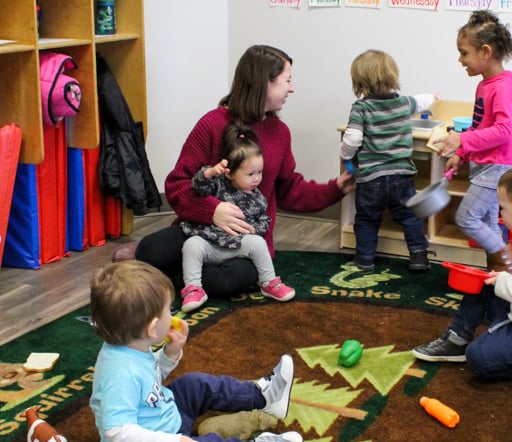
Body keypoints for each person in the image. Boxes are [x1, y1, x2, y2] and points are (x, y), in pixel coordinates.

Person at [125, 45, 353, 296]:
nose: (292, 88)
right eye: (286, 80)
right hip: (201, 231)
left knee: (225, 281)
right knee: (150, 251)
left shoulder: (280, 132)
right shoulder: (211, 124)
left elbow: (289, 190)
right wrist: (213, 211)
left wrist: (335, 189)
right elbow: (177, 185)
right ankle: (182, 274)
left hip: (245, 241)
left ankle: (178, 279)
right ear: (262, 83)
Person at [89, 260, 306, 442]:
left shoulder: (130, 346)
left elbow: (147, 385)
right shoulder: (120, 373)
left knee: (193, 384)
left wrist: (169, 353)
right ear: (153, 329)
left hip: (166, 420)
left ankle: (263, 397)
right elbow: (117, 430)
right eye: (168, 310)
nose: (172, 316)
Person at [412, 161, 512, 381]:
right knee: (481, 281)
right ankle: (456, 339)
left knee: (478, 358)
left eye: (503, 208)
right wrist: (501, 280)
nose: (500, 213)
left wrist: (504, 282)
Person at [433, 10, 512, 273]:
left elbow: (502, 131)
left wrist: (461, 138)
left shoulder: (501, 88)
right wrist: (462, 151)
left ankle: (506, 261)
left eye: (464, 52)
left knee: (466, 218)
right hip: (489, 166)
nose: (460, 59)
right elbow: (481, 125)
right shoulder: (486, 84)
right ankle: (499, 278)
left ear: (485, 52)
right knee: (488, 225)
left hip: (498, 167)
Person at [179, 122, 295, 312]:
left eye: (260, 172)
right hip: (211, 244)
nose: (257, 179)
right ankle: (193, 288)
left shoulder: (258, 199)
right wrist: (209, 173)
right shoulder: (219, 185)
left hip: (238, 246)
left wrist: (254, 230)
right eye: (250, 174)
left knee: (258, 243)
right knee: (191, 245)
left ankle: (269, 282)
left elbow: (264, 220)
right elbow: (198, 187)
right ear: (230, 173)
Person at [339, 49, 436, 273]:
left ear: (359, 82)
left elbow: (352, 138)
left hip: (371, 178)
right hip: (402, 176)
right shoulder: (403, 103)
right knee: (410, 216)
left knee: (367, 218)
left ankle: (365, 259)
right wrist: (434, 97)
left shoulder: (361, 108)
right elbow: (421, 101)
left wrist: (345, 155)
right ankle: (419, 256)